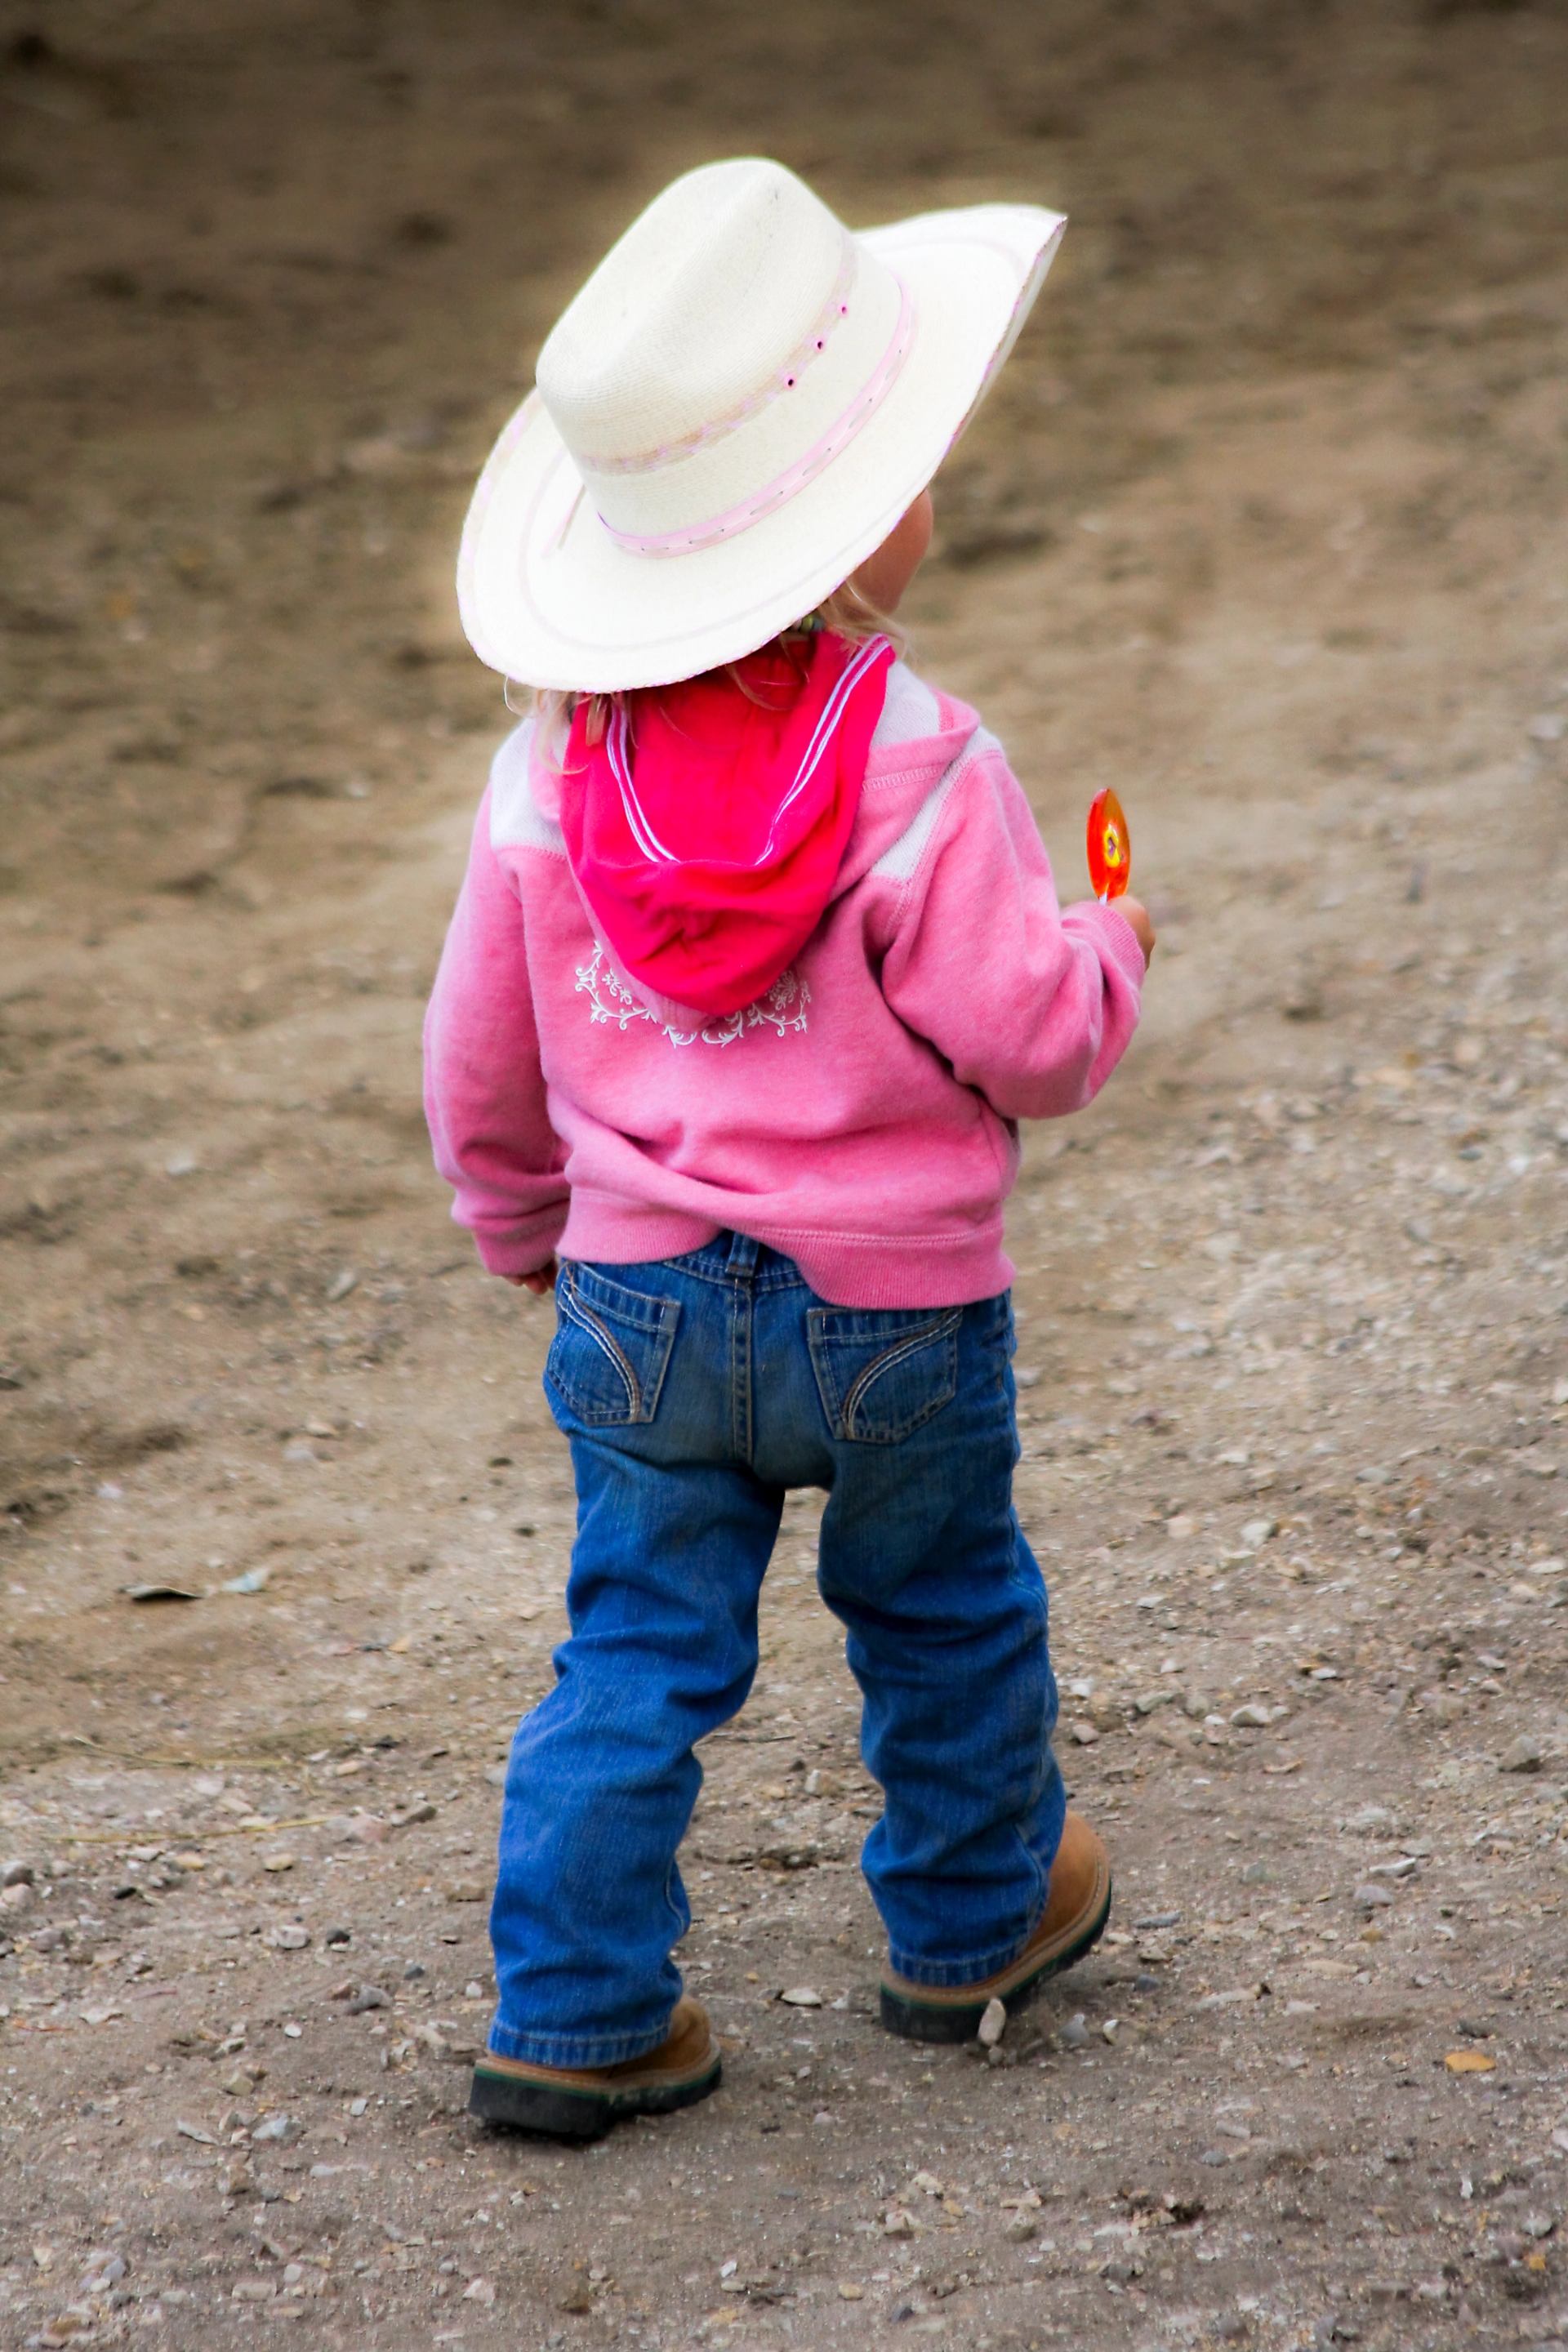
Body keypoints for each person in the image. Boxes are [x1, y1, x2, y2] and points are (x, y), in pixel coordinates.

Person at [425, 158, 1154, 2140]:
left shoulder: (540, 774)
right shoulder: (921, 755)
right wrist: (1111, 951)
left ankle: (575, 2013)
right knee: (942, 1611)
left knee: (638, 1647)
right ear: (862, 522)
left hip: (641, 1299)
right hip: (896, 1316)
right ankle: (979, 1920)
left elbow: (477, 1059)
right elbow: (1033, 1040)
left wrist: (520, 1226)